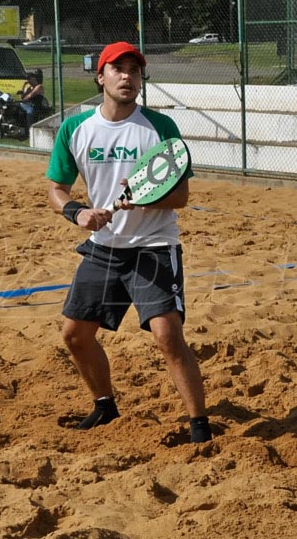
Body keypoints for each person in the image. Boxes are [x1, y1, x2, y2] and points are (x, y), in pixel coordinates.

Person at [45, 41, 212, 444]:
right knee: (75, 335)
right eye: (117, 69)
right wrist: (78, 212)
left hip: (154, 245)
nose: (127, 76)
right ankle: (105, 406)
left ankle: (199, 427)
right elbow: (56, 189)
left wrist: (142, 197)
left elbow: (181, 198)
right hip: (104, 246)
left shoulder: (160, 128)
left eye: (134, 71)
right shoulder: (75, 129)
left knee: (167, 336)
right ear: (99, 77)